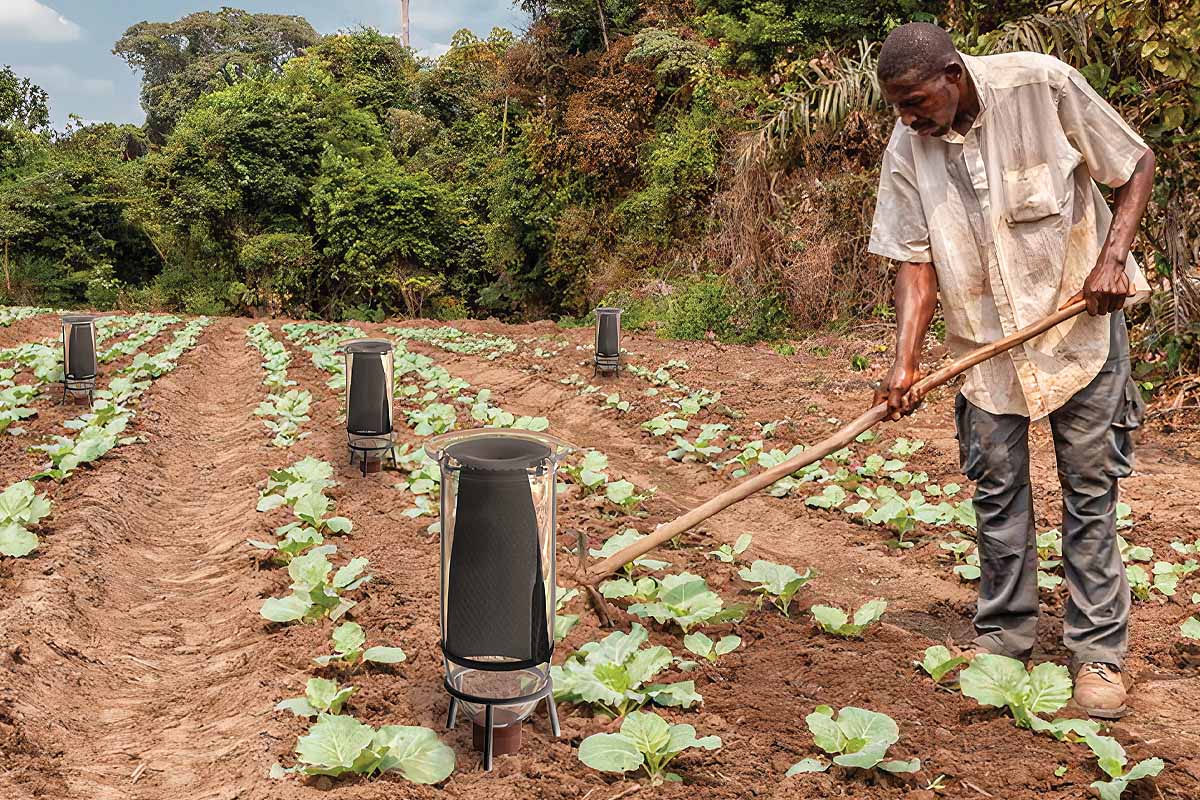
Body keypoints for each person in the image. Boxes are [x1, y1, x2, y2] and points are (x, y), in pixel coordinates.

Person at [866, 22, 1155, 719]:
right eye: (898, 106)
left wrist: (1113, 258)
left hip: (1076, 332)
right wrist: (904, 365)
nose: (907, 117)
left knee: (1090, 496)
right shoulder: (908, 145)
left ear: (952, 75)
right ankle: (1005, 636)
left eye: (915, 100)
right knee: (997, 496)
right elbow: (914, 260)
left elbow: (1134, 163)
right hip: (982, 350)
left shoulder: (1041, 84)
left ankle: (1098, 655)